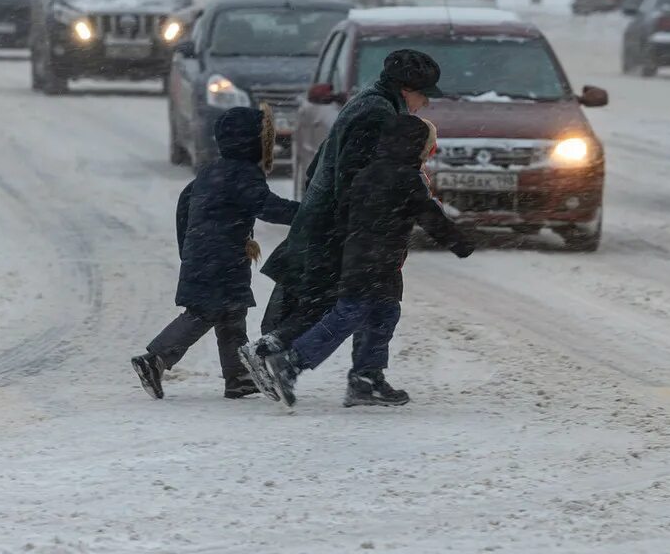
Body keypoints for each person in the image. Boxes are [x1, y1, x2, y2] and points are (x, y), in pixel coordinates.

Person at [242, 49, 443, 395]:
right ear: (407, 89)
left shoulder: (369, 102)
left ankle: (363, 377)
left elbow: (324, 160)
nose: (424, 105)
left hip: (335, 220)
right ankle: (272, 354)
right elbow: (354, 176)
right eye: (424, 96)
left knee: (365, 302)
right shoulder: (377, 115)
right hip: (344, 226)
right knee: (341, 303)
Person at [261, 115, 473, 407]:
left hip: (365, 259)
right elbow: (430, 217)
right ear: (416, 146)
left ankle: (366, 379)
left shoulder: (367, 172)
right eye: (430, 145)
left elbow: (345, 211)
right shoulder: (407, 179)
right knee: (347, 316)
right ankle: (292, 363)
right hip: (375, 262)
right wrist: (461, 243)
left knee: (384, 314)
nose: (430, 151)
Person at [131, 105, 299, 400]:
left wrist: (189, 248)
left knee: (232, 313)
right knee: (204, 312)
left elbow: (184, 205)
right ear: (252, 142)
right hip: (220, 259)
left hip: (211, 255)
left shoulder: (211, 170)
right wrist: (308, 214)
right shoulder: (243, 174)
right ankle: (155, 358)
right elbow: (267, 206)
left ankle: (238, 378)